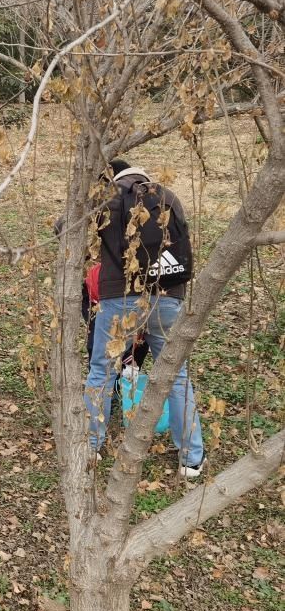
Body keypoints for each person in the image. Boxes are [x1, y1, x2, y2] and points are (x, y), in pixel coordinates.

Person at [84, 163, 205, 477]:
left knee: (102, 370)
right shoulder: (170, 198)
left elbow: (64, 228)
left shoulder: (107, 197)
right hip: (168, 295)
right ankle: (191, 459)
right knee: (176, 375)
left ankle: (90, 446)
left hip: (119, 299)